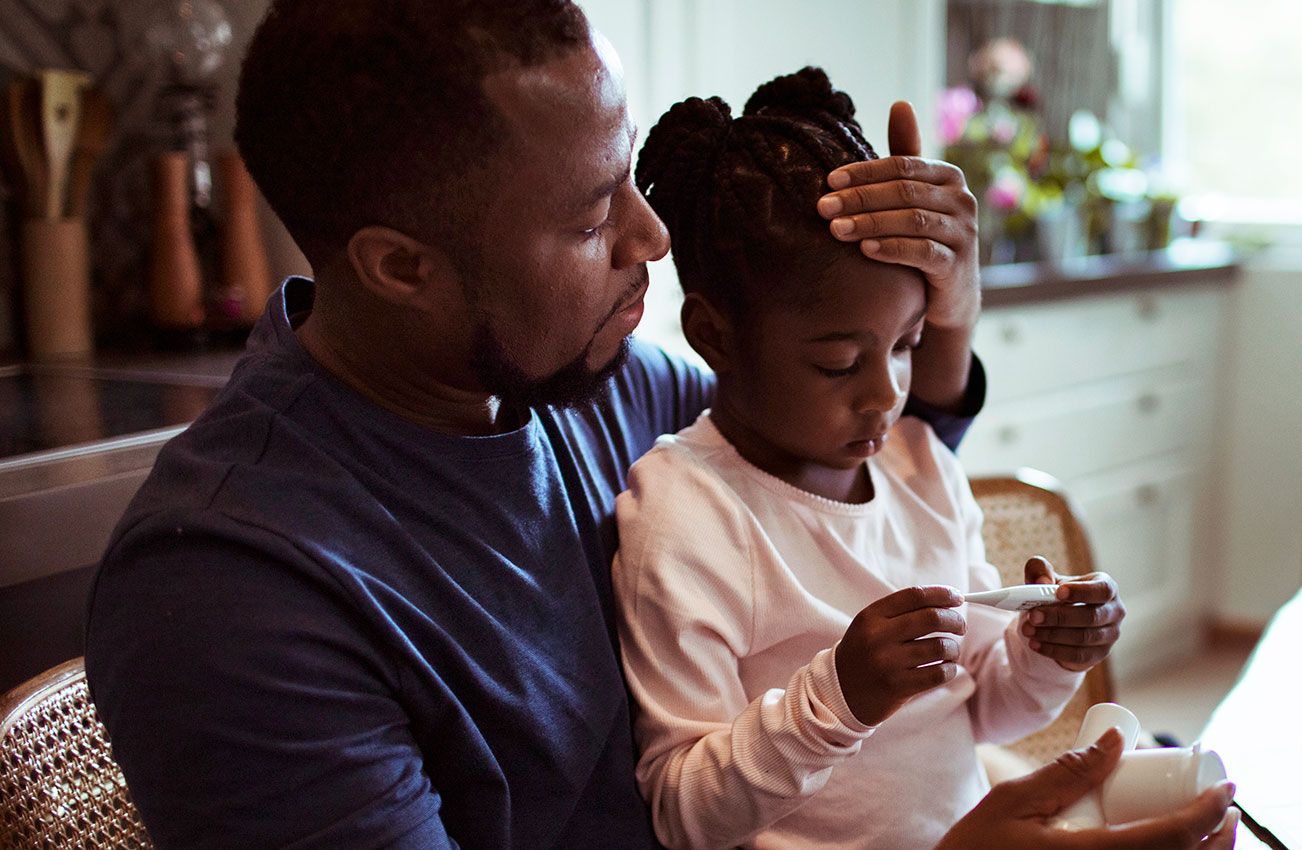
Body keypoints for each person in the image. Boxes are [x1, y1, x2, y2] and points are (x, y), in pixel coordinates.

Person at [81, 2, 1237, 849]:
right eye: (592, 215)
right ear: (401, 266)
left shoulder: (602, 387)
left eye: (630, 178)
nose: (650, 236)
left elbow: (837, 476)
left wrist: (941, 310)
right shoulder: (236, 590)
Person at [613, 69, 1117, 850]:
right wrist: (839, 697)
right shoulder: (687, 514)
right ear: (713, 334)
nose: (886, 395)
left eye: (908, 346)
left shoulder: (919, 466)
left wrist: (1045, 656)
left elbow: (983, 711)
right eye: (839, 362)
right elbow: (684, 814)